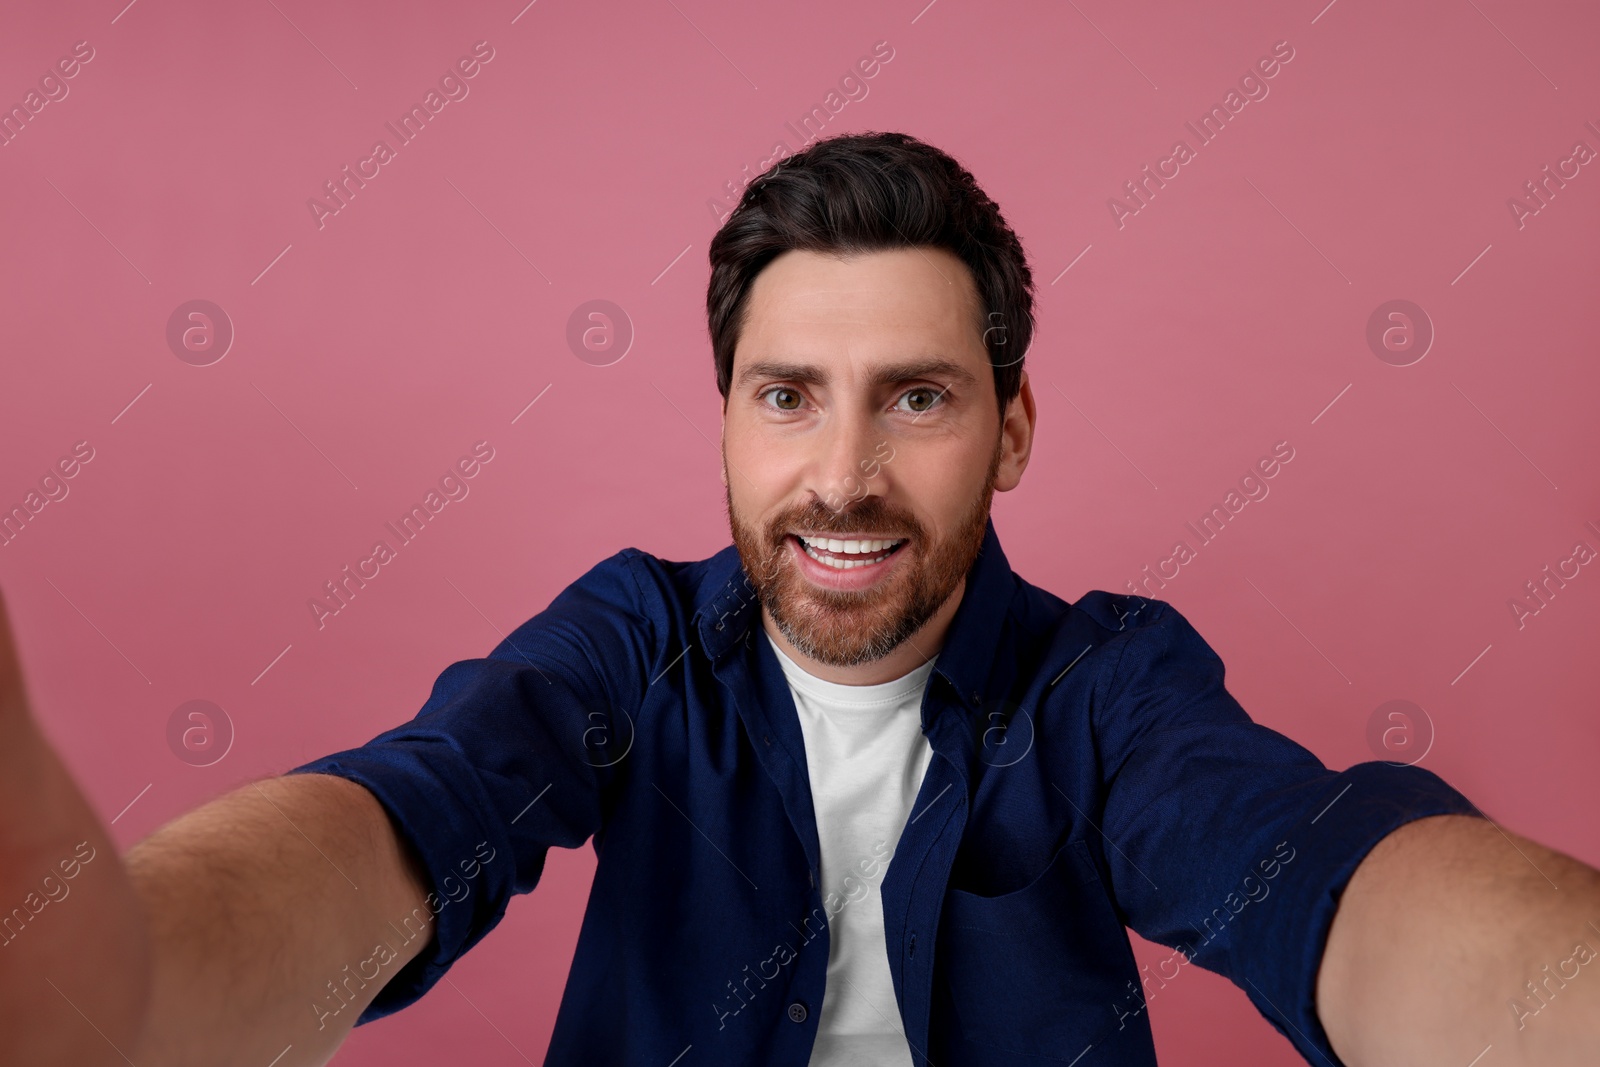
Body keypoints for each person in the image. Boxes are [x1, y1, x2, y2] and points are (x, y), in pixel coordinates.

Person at [1, 131, 1596, 1067]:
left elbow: (1316, 872)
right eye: (786, 397)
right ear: (722, 420)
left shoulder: (1107, 687)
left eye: (915, 398)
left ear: (1012, 428)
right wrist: (129, 980)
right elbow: (406, 824)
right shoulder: (633, 643)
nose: (841, 475)